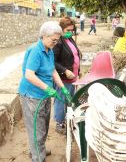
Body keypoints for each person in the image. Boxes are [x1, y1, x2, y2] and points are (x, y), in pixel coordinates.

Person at [18, 21, 72, 162]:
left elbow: (53, 70)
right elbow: (29, 74)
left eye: (57, 39)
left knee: (44, 124)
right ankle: (38, 157)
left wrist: (62, 87)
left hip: (45, 94)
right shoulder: (36, 50)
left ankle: (38, 149)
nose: (56, 42)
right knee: (36, 128)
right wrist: (48, 88)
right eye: (54, 40)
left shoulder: (49, 50)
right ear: (44, 36)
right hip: (32, 95)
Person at [53, 17, 81, 134]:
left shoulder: (70, 39)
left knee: (69, 100)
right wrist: (65, 71)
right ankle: (59, 123)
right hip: (63, 78)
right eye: (67, 30)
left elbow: (75, 55)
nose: (70, 32)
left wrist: (78, 71)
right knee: (60, 100)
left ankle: (67, 119)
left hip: (73, 77)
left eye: (71, 30)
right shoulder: (58, 42)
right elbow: (52, 62)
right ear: (61, 29)